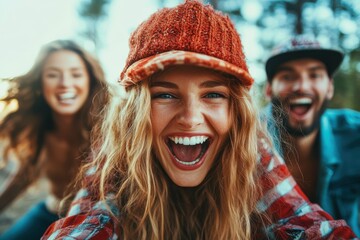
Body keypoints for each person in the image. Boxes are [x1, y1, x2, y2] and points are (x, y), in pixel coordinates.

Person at [41, 1, 358, 239]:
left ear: (236, 111)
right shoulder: (117, 152)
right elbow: (89, 220)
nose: (191, 118)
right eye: (165, 95)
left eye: (213, 95)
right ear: (134, 112)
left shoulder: (248, 144)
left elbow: (302, 223)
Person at [0, 39, 107, 240]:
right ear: (40, 83)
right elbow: (24, 175)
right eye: (52, 75)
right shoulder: (40, 130)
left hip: (90, 222)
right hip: (48, 212)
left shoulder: (108, 132)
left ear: (90, 80)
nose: (65, 83)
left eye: (76, 74)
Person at [263, 35, 360, 236]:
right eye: (287, 76)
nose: (302, 86)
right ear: (269, 89)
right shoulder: (242, 141)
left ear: (330, 87)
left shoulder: (355, 134)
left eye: (314, 75)